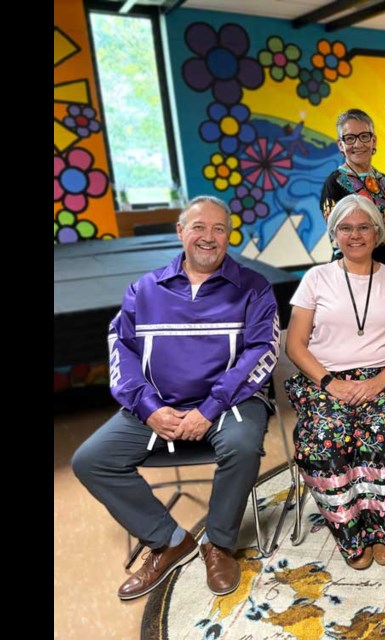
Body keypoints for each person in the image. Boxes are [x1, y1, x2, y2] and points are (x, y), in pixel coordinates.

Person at [72, 196, 280, 600]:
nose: (209, 237)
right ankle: (169, 541)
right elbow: (122, 349)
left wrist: (209, 408)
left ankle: (218, 543)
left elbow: (262, 353)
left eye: (219, 229)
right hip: (159, 404)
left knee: (242, 445)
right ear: (180, 232)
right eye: (198, 227)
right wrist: (148, 408)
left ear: (229, 236)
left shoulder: (254, 289)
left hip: (229, 402)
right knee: (91, 460)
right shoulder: (144, 290)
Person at [284, 194, 385, 571]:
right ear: (334, 234)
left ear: (378, 233)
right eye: (346, 228)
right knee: (323, 440)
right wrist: (330, 383)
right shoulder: (315, 279)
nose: (355, 235)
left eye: (364, 227)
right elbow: (294, 345)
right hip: (325, 378)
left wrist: (379, 382)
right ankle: (350, 532)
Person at [321, 109, 385, 270]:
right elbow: (338, 237)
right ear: (340, 145)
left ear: (374, 140)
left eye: (364, 136)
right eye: (350, 138)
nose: (358, 144)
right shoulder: (334, 183)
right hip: (354, 276)